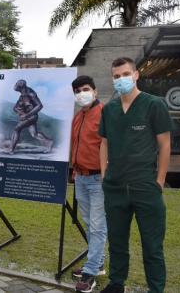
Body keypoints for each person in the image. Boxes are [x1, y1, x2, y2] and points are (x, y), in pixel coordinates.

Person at [98, 57, 174, 293]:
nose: (121, 79)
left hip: (145, 187)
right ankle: (116, 283)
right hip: (115, 186)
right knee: (117, 243)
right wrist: (104, 176)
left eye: (125, 74)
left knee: (152, 246)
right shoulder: (109, 109)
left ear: (136, 74)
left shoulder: (153, 105)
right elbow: (104, 144)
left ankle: (156, 289)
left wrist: (159, 181)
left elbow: (165, 145)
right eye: (117, 76)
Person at [70, 76, 106, 293]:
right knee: (89, 223)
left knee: (98, 225)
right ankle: (98, 262)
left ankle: (90, 272)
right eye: (78, 91)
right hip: (80, 178)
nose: (81, 93)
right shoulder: (78, 116)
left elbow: (111, 145)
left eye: (85, 89)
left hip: (98, 179)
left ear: (94, 91)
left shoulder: (104, 112)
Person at [4, 79, 53, 154]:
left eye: (16, 83)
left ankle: (11, 149)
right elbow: (15, 107)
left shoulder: (31, 93)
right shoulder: (22, 96)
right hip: (28, 117)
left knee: (16, 129)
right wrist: (19, 111)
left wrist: (26, 115)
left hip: (32, 116)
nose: (15, 85)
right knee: (34, 134)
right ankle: (49, 141)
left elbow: (39, 105)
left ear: (21, 83)